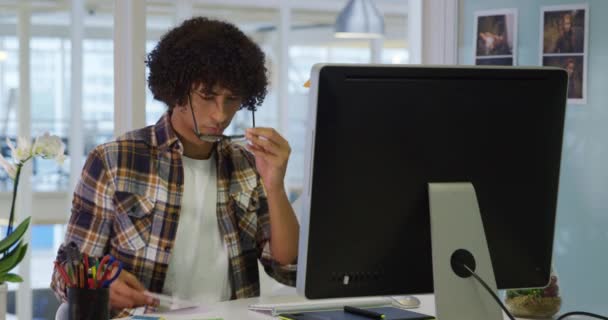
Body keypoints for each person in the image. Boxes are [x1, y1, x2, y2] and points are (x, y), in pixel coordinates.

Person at [51, 17, 299, 317]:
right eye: (207, 97)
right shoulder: (113, 160)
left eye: (231, 99)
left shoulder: (246, 164)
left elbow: (287, 267)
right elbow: (67, 274)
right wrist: (99, 287)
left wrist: (275, 185)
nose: (220, 114)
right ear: (177, 90)